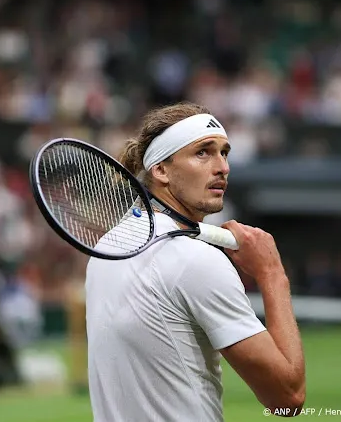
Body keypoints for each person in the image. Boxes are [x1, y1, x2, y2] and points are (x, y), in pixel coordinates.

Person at [85, 102, 306, 421]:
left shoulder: (108, 246)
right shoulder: (197, 261)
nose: (222, 167)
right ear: (160, 169)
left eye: (224, 153)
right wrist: (272, 274)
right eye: (203, 152)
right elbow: (287, 398)